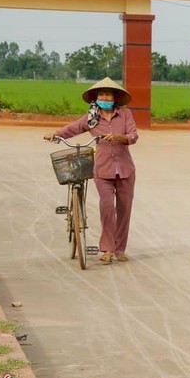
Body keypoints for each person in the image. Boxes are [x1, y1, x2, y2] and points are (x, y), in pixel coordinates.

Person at [44, 77, 139, 264]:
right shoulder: (91, 118)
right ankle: (107, 249)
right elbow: (72, 128)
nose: (105, 97)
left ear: (115, 97)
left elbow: (133, 135)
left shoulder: (125, 114)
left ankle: (120, 249)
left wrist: (120, 137)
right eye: (101, 94)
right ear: (96, 98)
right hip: (103, 170)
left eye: (108, 94)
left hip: (126, 169)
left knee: (124, 209)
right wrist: (55, 133)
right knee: (106, 208)